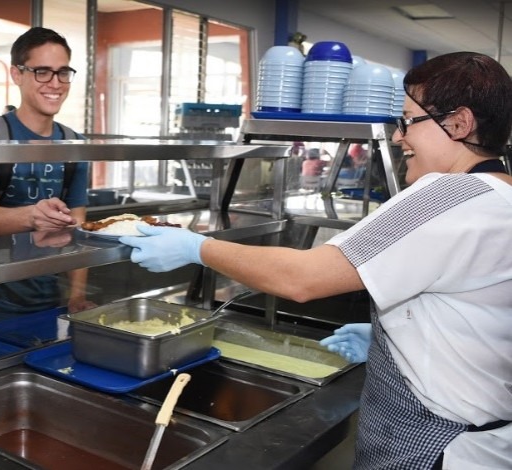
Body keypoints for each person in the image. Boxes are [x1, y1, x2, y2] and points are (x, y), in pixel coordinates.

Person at [119, 52, 512, 469]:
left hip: (436, 449)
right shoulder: (499, 198)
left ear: (459, 123)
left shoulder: (447, 195)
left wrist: (195, 247)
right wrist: (396, 341)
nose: (399, 137)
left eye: (408, 121)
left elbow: (302, 279)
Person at [0, 27, 95, 330]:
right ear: (17, 74)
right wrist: (36, 216)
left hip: (48, 299)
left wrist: (76, 293)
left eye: (63, 73)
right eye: (42, 72)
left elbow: (79, 231)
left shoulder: (74, 144)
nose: (55, 84)